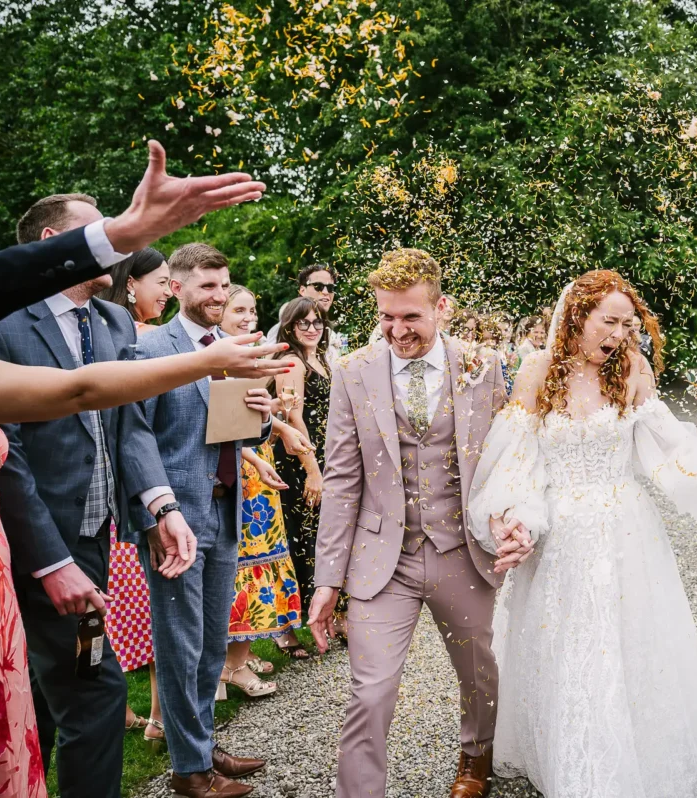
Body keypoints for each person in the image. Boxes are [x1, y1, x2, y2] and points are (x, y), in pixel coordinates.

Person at [467, 269, 697, 798]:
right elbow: (516, 461)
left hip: (626, 530)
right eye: (609, 321)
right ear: (577, 315)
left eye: (627, 324)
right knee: (567, 644)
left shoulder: (633, 369)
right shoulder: (536, 369)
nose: (618, 334)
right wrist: (515, 517)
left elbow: (666, 443)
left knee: (631, 640)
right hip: (559, 539)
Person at [0, 192, 183, 797]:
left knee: (44, 693)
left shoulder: (112, 320)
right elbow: (4, 458)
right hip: (30, 549)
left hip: (95, 542)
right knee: (96, 688)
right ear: (49, 244)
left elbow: (128, 423)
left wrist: (159, 504)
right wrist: (51, 562)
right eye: (95, 232)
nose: (115, 241)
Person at [0, 139, 266, 503]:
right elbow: (79, 391)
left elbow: (123, 419)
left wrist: (124, 233)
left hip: (110, 528)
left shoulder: (113, 322)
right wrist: (207, 360)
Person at [308, 248, 508, 798]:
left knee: (479, 672)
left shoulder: (482, 365)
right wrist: (327, 581)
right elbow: (343, 479)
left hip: (462, 550)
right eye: (386, 317)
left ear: (441, 308)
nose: (397, 330)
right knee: (370, 692)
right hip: (382, 560)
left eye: (411, 317)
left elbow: (505, 460)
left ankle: (476, 756)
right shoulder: (353, 373)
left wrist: (515, 524)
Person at [129, 242, 275, 798]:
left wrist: (262, 419)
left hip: (225, 508)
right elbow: (135, 436)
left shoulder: (231, 348)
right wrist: (157, 511)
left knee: (214, 640)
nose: (218, 295)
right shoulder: (153, 350)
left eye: (224, 284)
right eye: (207, 286)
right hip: (175, 521)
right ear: (177, 288)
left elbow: (240, 433)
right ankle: (189, 771)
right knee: (181, 642)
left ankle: (205, 750)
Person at [100, 245, 171, 743]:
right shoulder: (140, 339)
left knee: (121, 609)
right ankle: (157, 717)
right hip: (129, 498)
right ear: (132, 284)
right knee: (143, 607)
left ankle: (129, 712)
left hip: (130, 493)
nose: (169, 291)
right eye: (162, 281)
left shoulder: (121, 331)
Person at [217, 285, 303, 698]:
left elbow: (256, 413)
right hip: (241, 469)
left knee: (256, 563)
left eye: (253, 309)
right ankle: (230, 665)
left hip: (257, 467)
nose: (248, 316)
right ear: (219, 314)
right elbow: (225, 422)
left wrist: (280, 421)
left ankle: (237, 659)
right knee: (239, 566)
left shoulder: (254, 355)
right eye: (239, 309)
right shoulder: (218, 358)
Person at [273, 296, 341, 651]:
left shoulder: (322, 361)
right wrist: (313, 471)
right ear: (290, 327)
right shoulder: (291, 363)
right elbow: (292, 417)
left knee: (321, 539)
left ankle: (324, 616)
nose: (313, 329)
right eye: (305, 323)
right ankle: (286, 630)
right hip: (300, 459)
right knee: (299, 539)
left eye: (318, 322)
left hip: (325, 453)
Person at [267, 264, 348, 368]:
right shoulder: (285, 327)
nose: (325, 292)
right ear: (302, 291)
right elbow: (271, 370)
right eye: (318, 286)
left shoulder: (329, 331)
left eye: (330, 288)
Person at [100, 246, 172, 334]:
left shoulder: (101, 329)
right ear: (130, 283)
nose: (170, 293)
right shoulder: (150, 334)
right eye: (162, 282)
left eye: (168, 283)